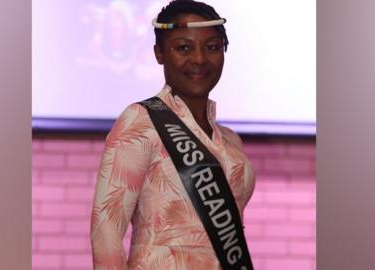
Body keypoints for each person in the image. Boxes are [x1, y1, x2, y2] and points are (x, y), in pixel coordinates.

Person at [90, 0, 255, 269]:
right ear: (159, 53)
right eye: (183, 48)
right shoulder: (141, 120)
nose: (199, 59)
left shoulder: (230, 140)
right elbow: (106, 231)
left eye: (212, 47)